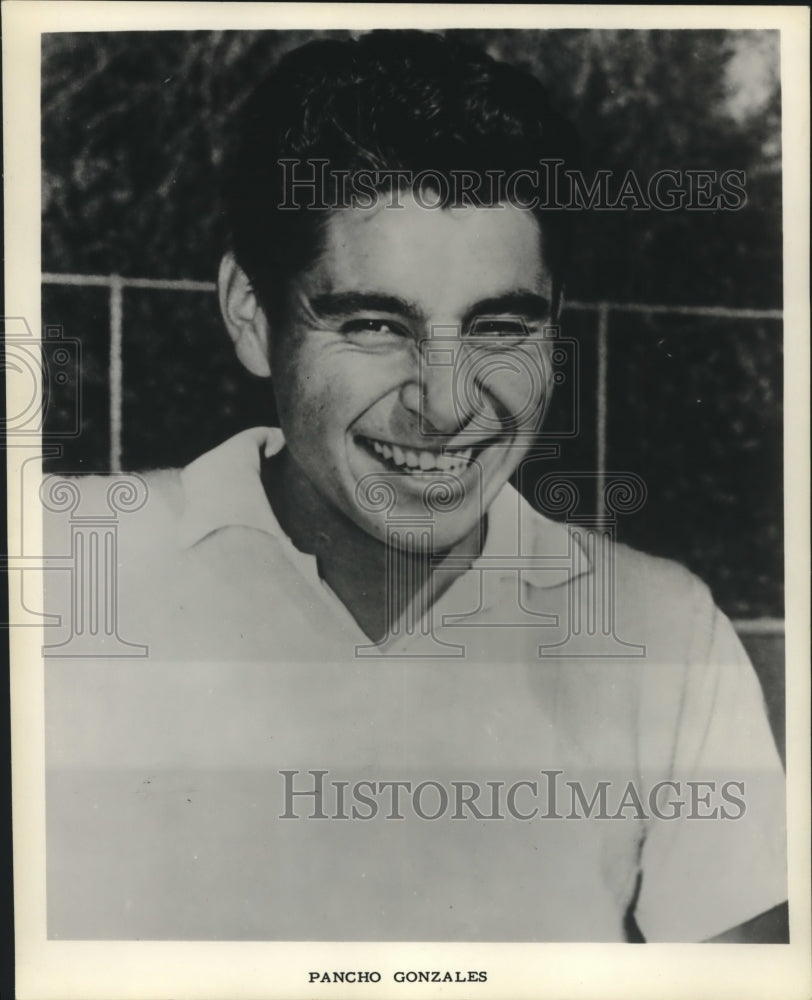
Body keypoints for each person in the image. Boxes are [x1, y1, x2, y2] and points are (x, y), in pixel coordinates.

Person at [43, 29, 786, 943]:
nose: (445, 404)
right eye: (372, 324)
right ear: (250, 316)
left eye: (501, 327)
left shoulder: (664, 635)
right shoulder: (58, 576)